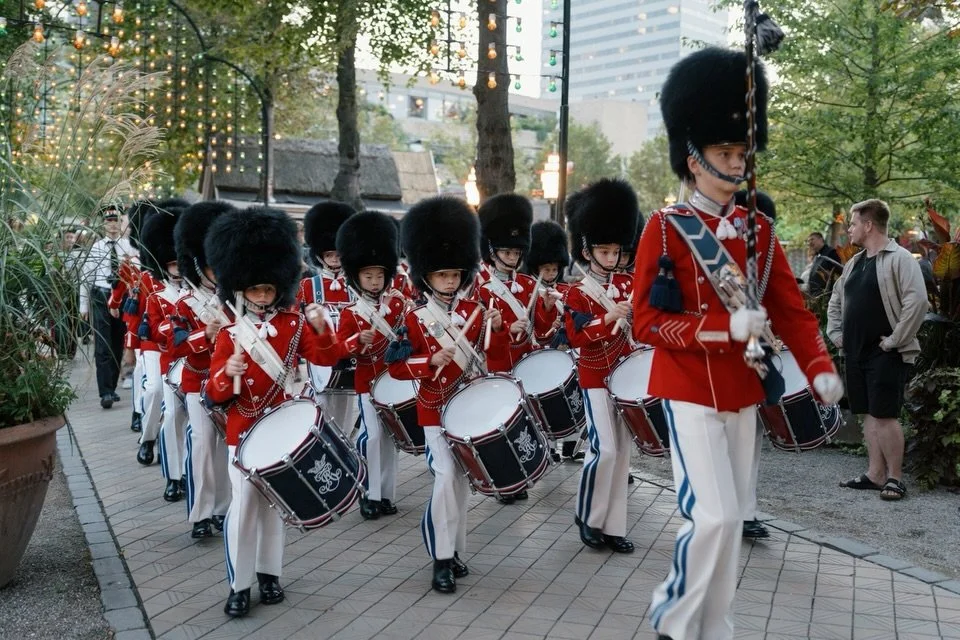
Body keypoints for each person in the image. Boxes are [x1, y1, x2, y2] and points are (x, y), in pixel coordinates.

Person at [632, 47, 844, 640]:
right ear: (693, 159)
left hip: (743, 391)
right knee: (715, 516)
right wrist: (723, 329)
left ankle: (715, 625)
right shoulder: (665, 229)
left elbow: (794, 312)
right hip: (689, 388)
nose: (736, 163)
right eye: (725, 153)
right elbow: (645, 322)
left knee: (730, 522)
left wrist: (819, 364)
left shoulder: (760, 230)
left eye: (740, 153)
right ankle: (674, 621)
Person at [204, 206, 341, 618]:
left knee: (273, 507)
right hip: (243, 430)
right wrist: (227, 373)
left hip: (280, 426)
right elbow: (213, 394)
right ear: (240, 289)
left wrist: (321, 327)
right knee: (245, 506)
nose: (263, 296)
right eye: (255, 290)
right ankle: (238, 584)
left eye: (268, 289)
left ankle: (270, 574)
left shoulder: (294, 324)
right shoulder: (230, 335)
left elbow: (329, 358)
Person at [386, 196, 508, 594]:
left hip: (468, 406)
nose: (451, 282)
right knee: (445, 478)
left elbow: (493, 353)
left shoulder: (477, 308)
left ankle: (455, 550)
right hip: (435, 409)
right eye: (442, 276)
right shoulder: (414, 318)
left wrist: (497, 325)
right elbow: (397, 368)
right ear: (426, 277)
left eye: (455, 274)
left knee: (460, 483)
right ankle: (440, 559)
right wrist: (429, 361)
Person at [828, 199, 926, 502]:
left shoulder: (900, 259)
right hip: (855, 352)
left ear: (868, 225)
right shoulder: (855, 262)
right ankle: (875, 474)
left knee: (885, 415)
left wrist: (895, 340)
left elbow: (917, 301)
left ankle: (895, 479)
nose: (850, 230)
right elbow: (836, 300)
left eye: (854, 224)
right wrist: (835, 333)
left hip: (886, 352)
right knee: (868, 414)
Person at [563, 178, 638, 555]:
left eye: (615, 251)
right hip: (594, 376)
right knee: (604, 450)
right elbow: (577, 336)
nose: (611, 258)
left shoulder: (630, 284)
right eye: (604, 251)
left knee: (623, 453)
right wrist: (609, 317)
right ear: (588, 250)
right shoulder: (576, 291)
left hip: (625, 375)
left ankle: (613, 526)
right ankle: (589, 517)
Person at [333, 211, 407, 520]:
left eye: (379, 275)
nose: (375, 281)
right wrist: (356, 342)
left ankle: (385, 494)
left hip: (393, 380)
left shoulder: (399, 304)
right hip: (367, 381)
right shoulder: (351, 311)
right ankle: (367, 493)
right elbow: (340, 347)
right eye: (368, 276)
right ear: (356, 277)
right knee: (372, 436)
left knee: (390, 439)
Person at [171, 201, 235, 538]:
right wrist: (203, 335)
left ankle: (223, 509)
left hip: (229, 382)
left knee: (225, 446)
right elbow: (175, 344)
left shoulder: (235, 301)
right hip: (198, 382)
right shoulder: (185, 302)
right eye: (210, 267)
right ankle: (200, 513)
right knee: (201, 444)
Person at [140, 207, 189, 502]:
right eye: (172, 265)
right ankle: (173, 476)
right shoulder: (158, 296)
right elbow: (158, 331)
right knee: (166, 410)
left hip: (196, 364)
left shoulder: (199, 293)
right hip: (167, 359)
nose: (178, 270)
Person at [297, 201, 357, 432]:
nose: (334, 259)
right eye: (329, 254)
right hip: (319, 359)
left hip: (348, 358)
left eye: (338, 254)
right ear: (320, 254)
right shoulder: (307, 286)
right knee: (320, 416)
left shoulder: (355, 286)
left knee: (342, 420)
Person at [79, 205, 137, 409]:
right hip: (100, 296)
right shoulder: (96, 248)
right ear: (103, 224)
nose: (112, 225)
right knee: (102, 344)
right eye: (109, 221)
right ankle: (105, 391)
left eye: (116, 221)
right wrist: (83, 305)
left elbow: (135, 274)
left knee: (118, 342)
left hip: (121, 299)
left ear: (120, 224)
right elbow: (86, 278)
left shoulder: (128, 247)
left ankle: (112, 387)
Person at [806, 231, 843, 297]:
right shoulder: (817, 256)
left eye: (812, 239)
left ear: (821, 239)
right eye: (808, 241)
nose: (810, 243)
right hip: (815, 295)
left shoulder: (831, 253)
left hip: (826, 295)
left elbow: (838, 275)